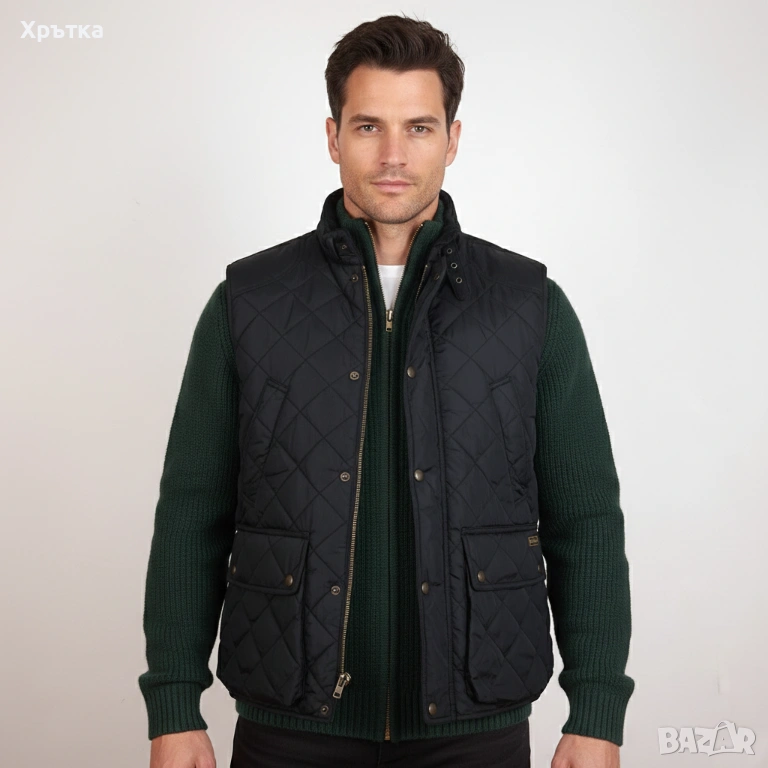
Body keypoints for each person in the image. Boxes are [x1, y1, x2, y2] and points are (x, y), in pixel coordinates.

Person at [138, 13, 634, 768]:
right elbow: (191, 513)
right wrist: (174, 704)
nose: (394, 155)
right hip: (290, 727)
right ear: (333, 136)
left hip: (476, 727)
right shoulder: (248, 302)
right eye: (368, 126)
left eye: (419, 128)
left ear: (453, 140)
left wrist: (596, 711)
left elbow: (585, 517)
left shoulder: (529, 305)